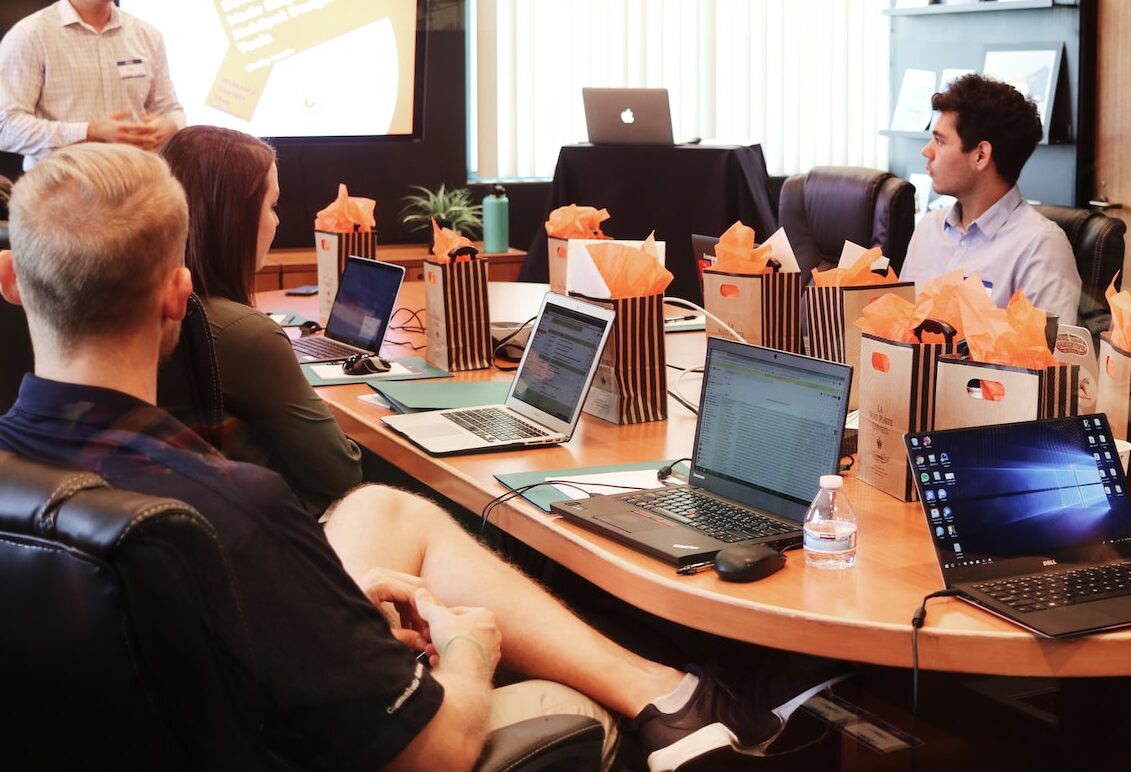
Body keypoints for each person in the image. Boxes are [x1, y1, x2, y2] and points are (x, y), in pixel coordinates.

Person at [0, 143, 839, 771]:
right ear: (178, 296)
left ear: (11, 279)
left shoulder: (40, 485)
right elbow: (431, 752)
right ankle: (676, 703)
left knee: (381, 509)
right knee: (515, 664)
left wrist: (335, 599)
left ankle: (674, 691)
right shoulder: (232, 507)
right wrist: (470, 646)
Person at [160, 125, 360, 517]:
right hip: (275, 533)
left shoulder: (144, 309)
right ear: (233, 218)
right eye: (272, 206)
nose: (277, 222)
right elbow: (342, 473)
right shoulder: (245, 334)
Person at [899, 73, 1081, 321]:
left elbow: (1047, 356)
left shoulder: (1040, 246)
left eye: (940, 141)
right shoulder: (928, 230)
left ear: (981, 155)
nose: (926, 150)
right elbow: (896, 331)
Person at [0, 0, 183, 170]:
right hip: (59, 188)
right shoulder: (30, 35)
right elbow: (5, 127)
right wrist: (89, 132)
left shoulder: (147, 34)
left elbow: (171, 110)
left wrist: (169, 126)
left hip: (137, 183)